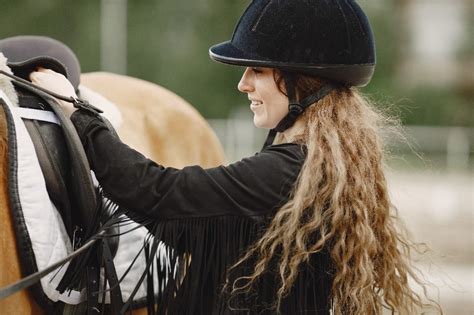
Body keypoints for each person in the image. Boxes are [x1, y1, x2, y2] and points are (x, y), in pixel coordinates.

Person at [30, 0, 439, 314]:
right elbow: (198, 230)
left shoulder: (283, 173)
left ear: (301, 82)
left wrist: (77, 112)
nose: (243, 84)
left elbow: (157, 192)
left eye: (257, 70)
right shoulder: (313, 165)